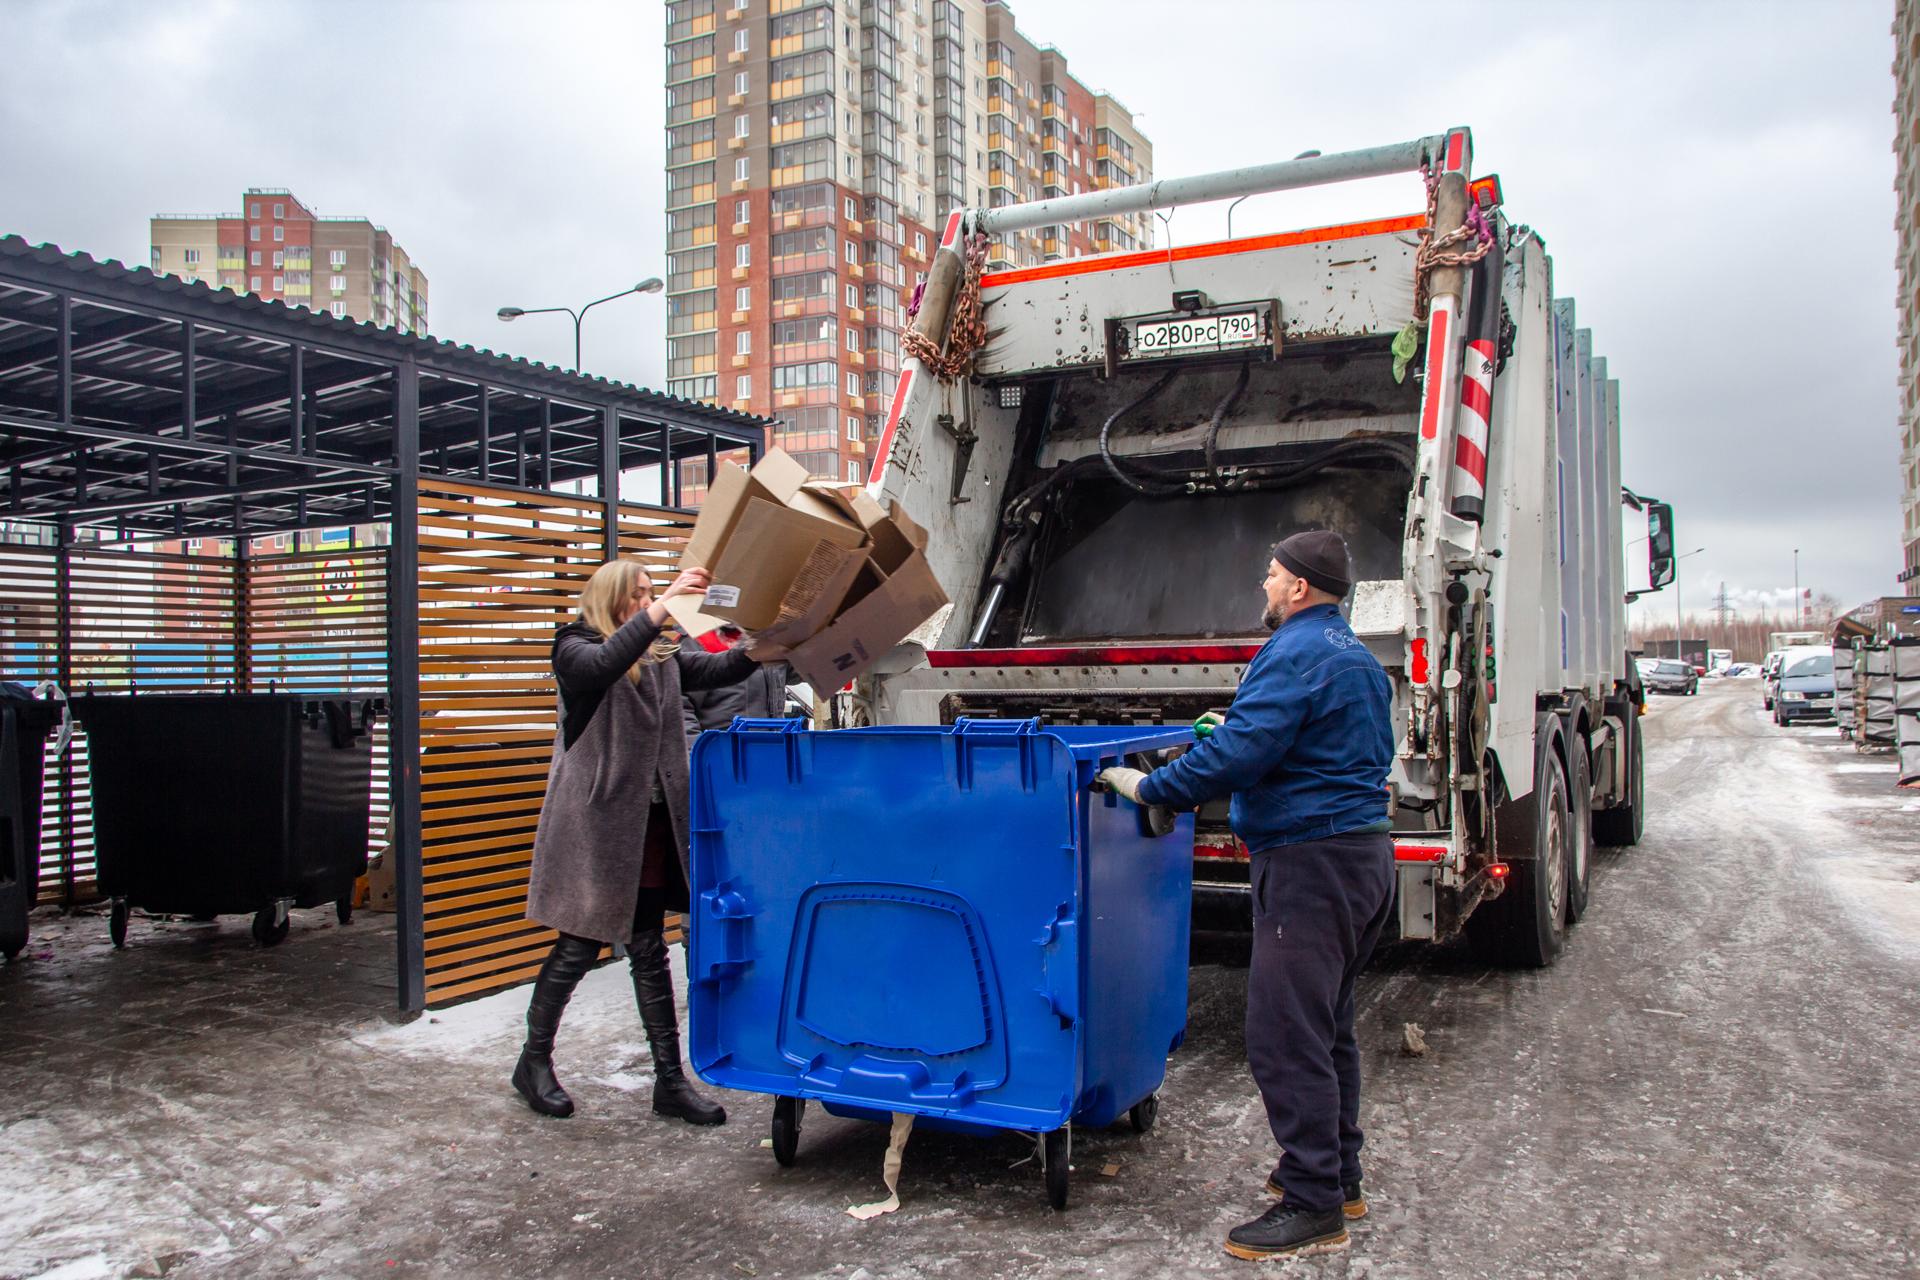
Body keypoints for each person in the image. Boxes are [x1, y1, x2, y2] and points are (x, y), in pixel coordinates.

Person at [1097, 530, 1394, 1261]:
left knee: (1283, 1036)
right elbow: (1302, 744)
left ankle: (1314, 1204)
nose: (1263, 586)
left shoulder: (1291, 653)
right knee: (1327, 1029)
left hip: (1309, 867)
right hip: (1360, 860)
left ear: (1298, 587)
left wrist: (1152, 786)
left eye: (1270, 575)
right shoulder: (1354, 658)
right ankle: (1337, 1175)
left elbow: (1239, 758)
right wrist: (1238, 729)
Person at [513, 557, 767, 1126]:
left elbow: (713, 670)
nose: (649, 603)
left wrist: (758, 651)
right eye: (640, 595)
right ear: (611, 598)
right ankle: (532, 1063)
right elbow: (606, 660)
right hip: (596, 829)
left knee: (651, 949)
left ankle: (669, 1082)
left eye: (652, 594)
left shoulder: (660, 656)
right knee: (578, 947)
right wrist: (665, 604)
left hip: (647, 829)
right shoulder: (573, 647)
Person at [682, 624, 795, 739]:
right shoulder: (697, 640)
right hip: (722, 750)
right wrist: (696, 751)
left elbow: (797, 670)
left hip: (774, 747)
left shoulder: (768, 636)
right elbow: (682, 711)